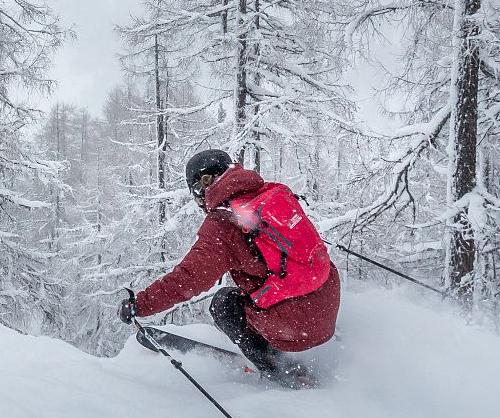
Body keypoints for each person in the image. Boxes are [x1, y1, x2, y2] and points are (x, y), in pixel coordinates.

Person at [119, 146, 340, 381]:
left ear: (202, 187)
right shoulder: (270, 194)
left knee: (225, 303)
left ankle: (280, 371)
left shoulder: (223, 226)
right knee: (252, 293)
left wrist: (140, 304)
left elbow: (187, 279)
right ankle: (315, 344)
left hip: (295, 325)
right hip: (328, 305)